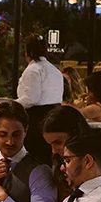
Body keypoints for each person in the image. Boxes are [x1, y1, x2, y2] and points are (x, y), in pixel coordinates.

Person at [17, 33, 65, 161]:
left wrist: (10, 104)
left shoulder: (33, 70)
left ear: (26, 51)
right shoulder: (55, 70)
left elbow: (30, 99)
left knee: (36, 157)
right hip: (55, 116)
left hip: (37, 120)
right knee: (50, 157)